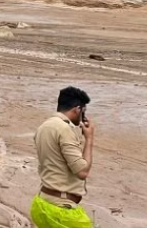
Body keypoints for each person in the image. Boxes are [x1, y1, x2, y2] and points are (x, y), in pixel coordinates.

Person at [30, 86, 95, 228]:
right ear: (78, 109)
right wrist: (89, 139)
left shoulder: (44, 127)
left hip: (42, 204)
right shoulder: (65, 130)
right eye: (83, 111)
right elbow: (82, 171)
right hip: (61, 211)